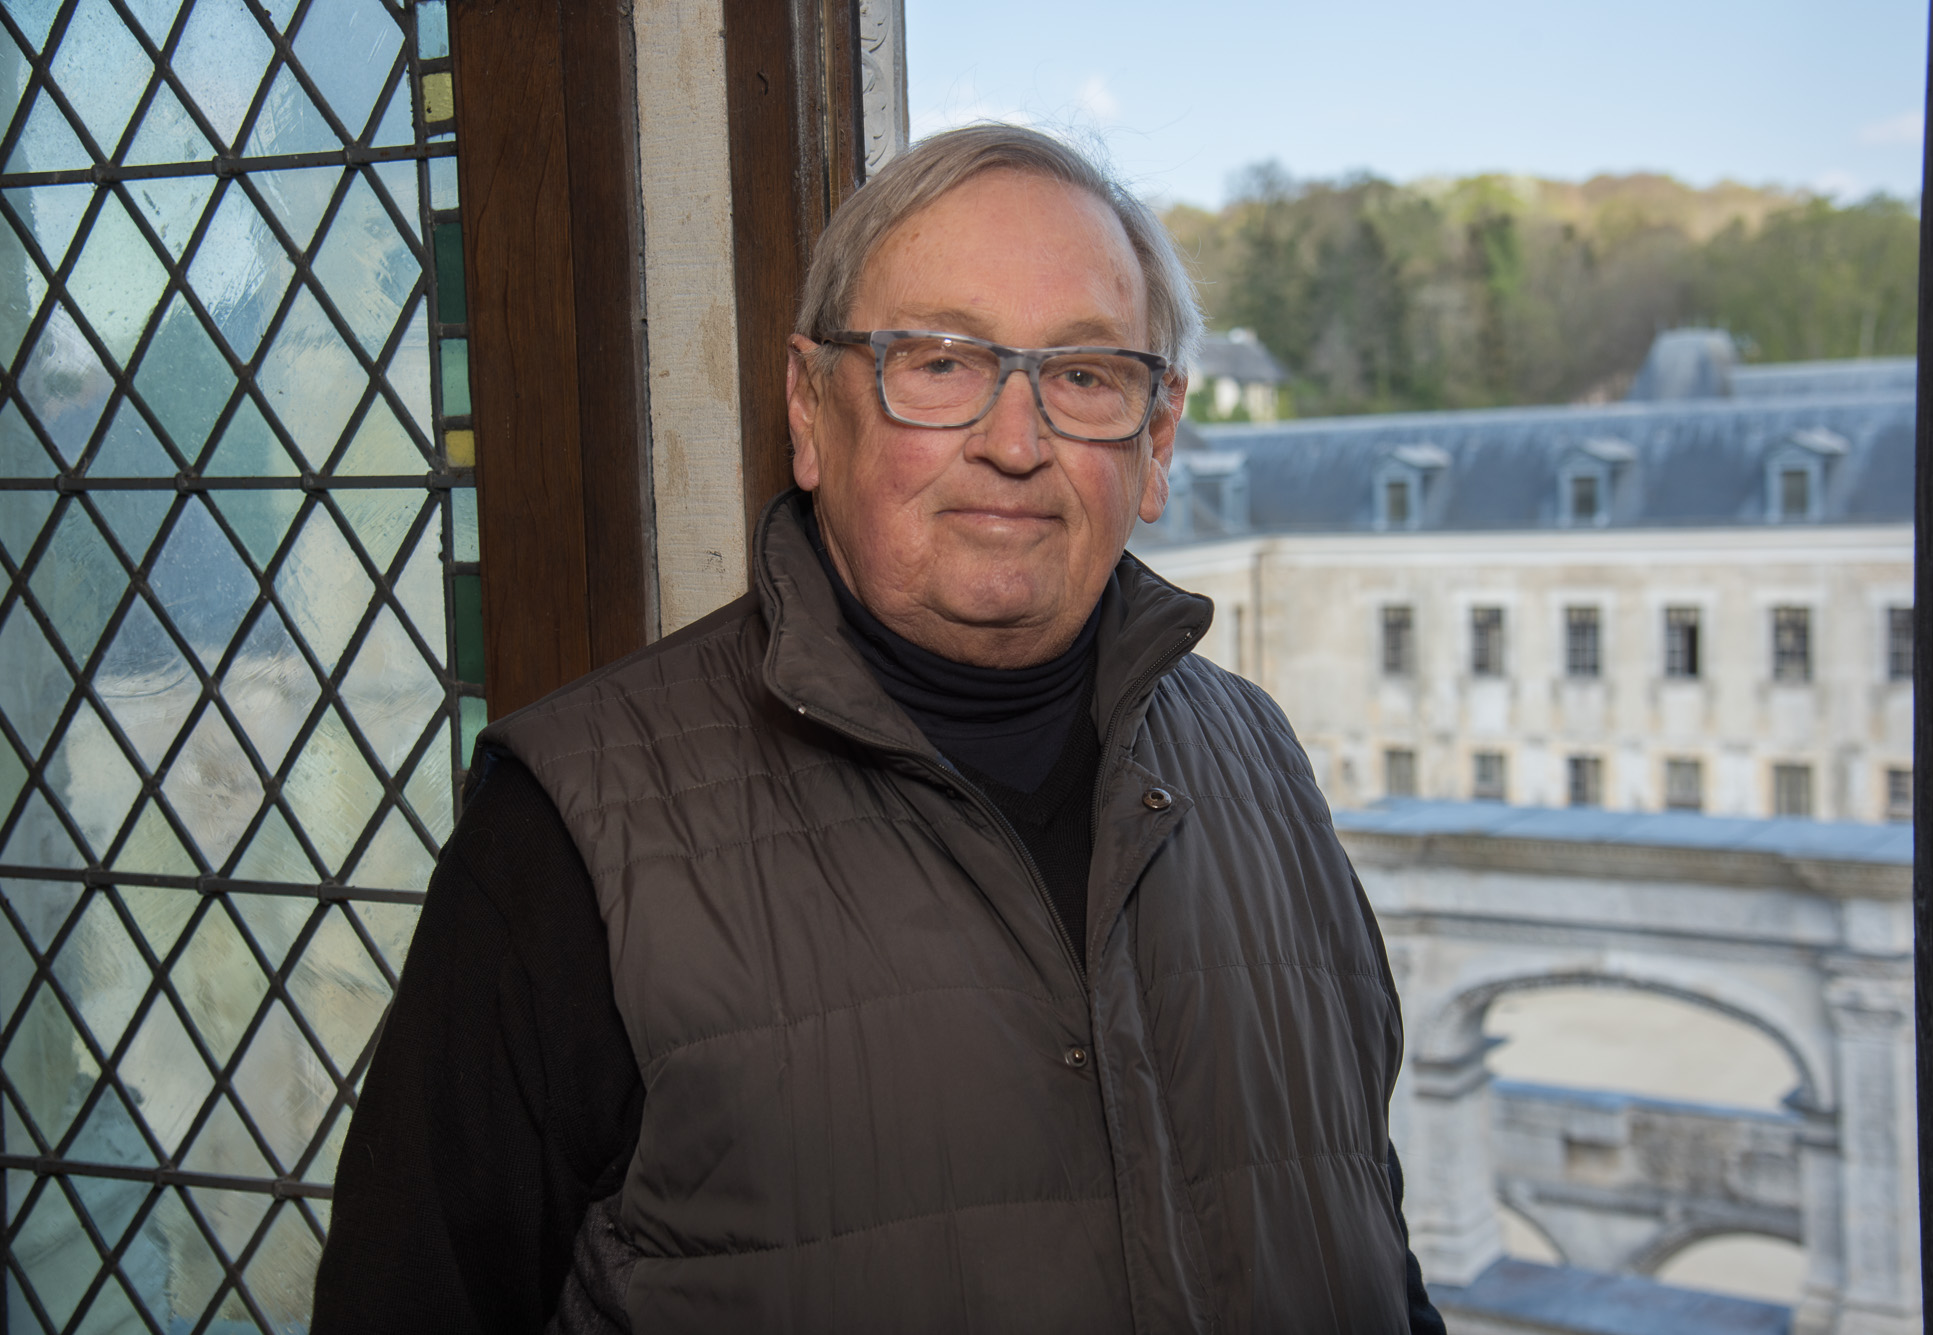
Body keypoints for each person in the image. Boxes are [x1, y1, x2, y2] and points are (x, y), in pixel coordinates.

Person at [313, 124, 1445, 1334]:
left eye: (1083, 376)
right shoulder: (568, 834)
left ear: (1155, 444)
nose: (1015, 444)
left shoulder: (1261, 765)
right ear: (809, 410)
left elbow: (1363, 1241)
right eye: (941, 363)